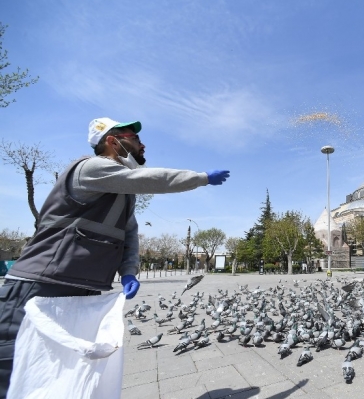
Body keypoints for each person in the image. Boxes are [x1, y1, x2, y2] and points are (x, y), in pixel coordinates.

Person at [0, 117, 230, 396]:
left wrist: (129, 271)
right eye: (135, 138)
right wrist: (201, 178)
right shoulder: (90, 168)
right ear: (112, 141)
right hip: (41, 283)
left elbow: (129, 233)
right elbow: (148, 179)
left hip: (81, 289)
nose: (142, 145)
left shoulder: (122, 193)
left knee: (58, 372)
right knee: (13, 367)